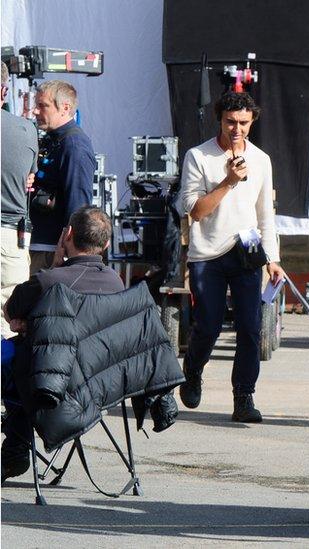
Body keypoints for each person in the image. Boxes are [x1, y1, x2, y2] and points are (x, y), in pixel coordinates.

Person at [178, 92, 283, 423]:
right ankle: (193, 370)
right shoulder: (199, 156)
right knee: (207, 325)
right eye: (230, 122)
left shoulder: (262, 160)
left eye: (243, 123)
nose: (236, 129)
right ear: (219, 119)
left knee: (250, 328)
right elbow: (194, 211)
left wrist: (273, 258)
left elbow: (265, 213)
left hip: (248, 249)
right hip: (208, 253)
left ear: (252, 122)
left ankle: (244, 397)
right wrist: (228, 181)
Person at [2, 206, 123, 480]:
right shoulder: (117, 284)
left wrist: (54, 268)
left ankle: (16, 446)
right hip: (101, 385)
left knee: (14, 357)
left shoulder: (49, 281)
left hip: (45, 384)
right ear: (106, 244)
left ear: (67, 235)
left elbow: (10, 312)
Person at [28, 80, 96, 273]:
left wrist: (66, 249)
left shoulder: (74, 145)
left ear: (65, 108)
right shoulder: (53, 140)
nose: (35, 111)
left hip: (51, 252)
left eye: (43, 106)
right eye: (36, 105)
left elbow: (79, 204)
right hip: (39, 244)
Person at [0, 62, 39, 337]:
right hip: (9, 237)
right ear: (4, 91)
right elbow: (29, 176)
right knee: (9, 324)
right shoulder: (25, 130)